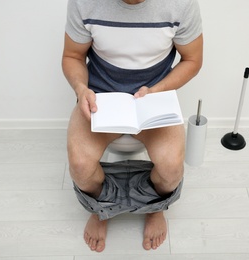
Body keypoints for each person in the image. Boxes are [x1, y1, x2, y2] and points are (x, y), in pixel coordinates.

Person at [62, 0, 203, 252]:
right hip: (101, 98)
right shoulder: (84, 2)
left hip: (153, 97)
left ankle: (155, 207)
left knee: (171, 167)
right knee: (80, 165)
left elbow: (192, 59)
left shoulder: (181, 4)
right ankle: (101, 209)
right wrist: (81, 88)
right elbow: (73, 55)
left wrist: (157, 91)